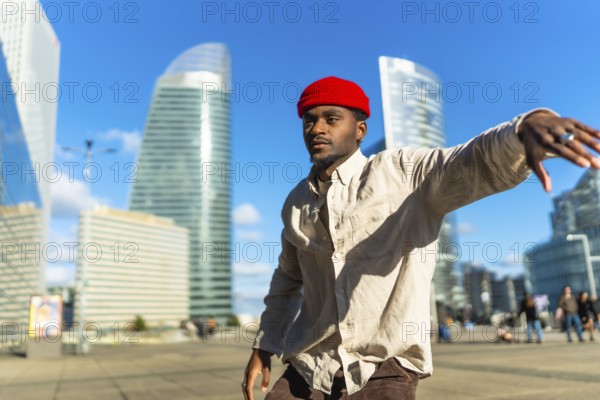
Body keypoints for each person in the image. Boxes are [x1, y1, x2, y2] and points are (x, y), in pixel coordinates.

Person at [242, 76, 600, 400]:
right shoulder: (296, 203)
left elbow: (467, 161)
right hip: (309, 367)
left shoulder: (402, 172)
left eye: (331, 118)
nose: (317, 128)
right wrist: (264, 345)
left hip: (383, 370)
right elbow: (288, 279)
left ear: (360, 129)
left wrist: (522, 131)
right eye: (309, 119)